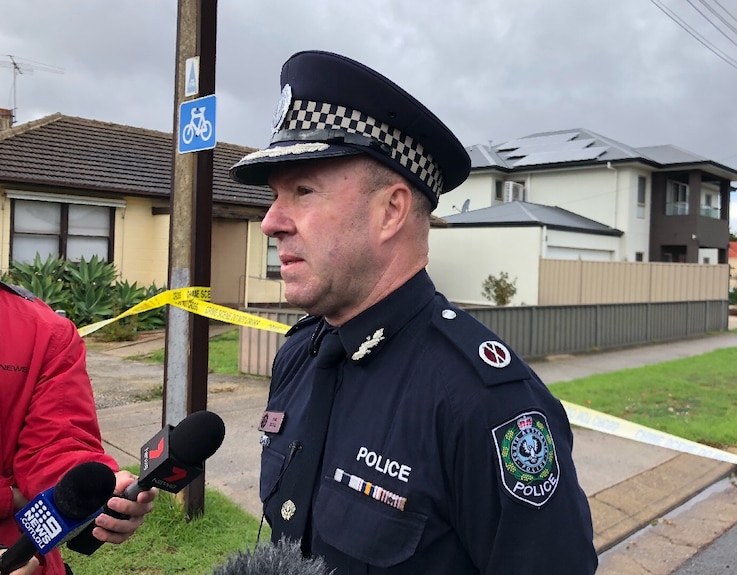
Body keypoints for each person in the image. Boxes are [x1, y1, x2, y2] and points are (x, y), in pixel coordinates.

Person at [230, 50, 598, 574]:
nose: (270, 222)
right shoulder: (299, 355)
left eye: (302, 191)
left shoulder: (485, 404)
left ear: (391, 211)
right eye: (274, 196)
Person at [0, 280, 158, 575]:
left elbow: (55, 442)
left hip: (21, 560)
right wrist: (9, 496)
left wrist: (97, 486)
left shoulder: (42, 330)